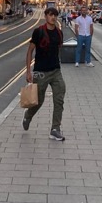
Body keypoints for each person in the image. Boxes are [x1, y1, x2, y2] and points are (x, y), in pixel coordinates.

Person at [24, 7, 67, 141]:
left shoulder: (59, 33)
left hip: (55, 71)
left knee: (59, 99)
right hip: (40, 73)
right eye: (50, 15)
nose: (53, 17)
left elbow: (58, 49)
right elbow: (30, 51)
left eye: (55, 15)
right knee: (38, 101)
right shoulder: (38, 32)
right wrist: (28, 71)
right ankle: (28, 115)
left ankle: (55, 129)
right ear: (46, 16)